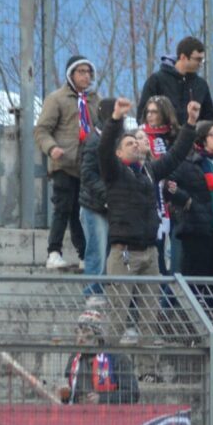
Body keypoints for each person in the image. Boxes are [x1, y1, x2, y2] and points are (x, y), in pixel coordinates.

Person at [96, 97, 197, 355]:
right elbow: (104, 148)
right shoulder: (114, 172)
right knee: (117, 315)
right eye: (128, 143)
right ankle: (107, 367)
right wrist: (116, 119)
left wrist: (190, 124)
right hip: (124, 253)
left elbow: (176, 156)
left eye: (136, 142)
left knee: (150, 316)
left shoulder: (150, 171)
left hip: (150, 252)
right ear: (119, 153)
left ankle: (147, 370)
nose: (135, 144)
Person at [34, 55, 100, 270]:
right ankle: (53, 252)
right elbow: (42, 129)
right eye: (81, 72)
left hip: (87, 165)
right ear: (71, 74)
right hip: (63, 162)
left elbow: (101, 127)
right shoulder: (57, 99)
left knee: (81, 212)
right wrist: (51, 148)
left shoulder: (94, 100)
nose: (86, 76)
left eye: (88, 72)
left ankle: (84, 255)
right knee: (63, 208)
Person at [169, 120, 213, 278]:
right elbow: (169, 185)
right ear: (203, 139)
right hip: (196, 230)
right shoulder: (189, 163)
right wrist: (187, 201)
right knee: (195, 280)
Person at [78, 99, 118, 297]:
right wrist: (107, 194)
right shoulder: (94, 140)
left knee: (110, 254)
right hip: (94, 206)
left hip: (112, 206)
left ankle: (103, 294)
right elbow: (87, 174)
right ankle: (92, 296)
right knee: (97, 252)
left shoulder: (118, 138)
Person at [140, 95, 180, 272]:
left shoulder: (174, 136)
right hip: (153, 199)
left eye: (154, 112)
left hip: (174, 198)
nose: (150, 115)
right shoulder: (140, 135)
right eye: (148, 112)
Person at [137, 36, 213, 126]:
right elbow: (143, 115)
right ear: (183, 57)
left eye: (202, 60)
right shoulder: (156, 80)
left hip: (193, 134)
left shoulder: (201, 85)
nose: (200, 64)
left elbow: (209, 118)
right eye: (198, 59)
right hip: (162, 133)